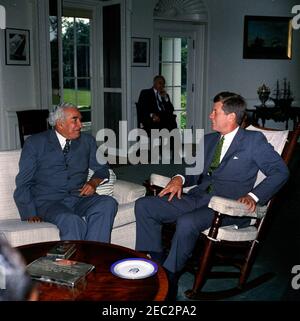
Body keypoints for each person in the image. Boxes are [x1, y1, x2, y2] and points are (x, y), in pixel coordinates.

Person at [135, 92, 289, 300]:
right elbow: (192, 170)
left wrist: (253, 196)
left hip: (226, 206)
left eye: (214, 111)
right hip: (198, 197)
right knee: (145, 205)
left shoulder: (253, 141)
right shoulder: (208, 140)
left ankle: (169, 276)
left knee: (186, 222)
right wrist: (180, 178)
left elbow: (280, 172)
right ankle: (152, 264)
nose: (210, 115)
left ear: (231, 116)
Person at [14, 103, 118, 242]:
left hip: (79, 198)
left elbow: (102, 168)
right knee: (72, 221)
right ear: (60, 123)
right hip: (48, 203)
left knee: (108, 203)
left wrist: (93, 182)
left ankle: (93, 254)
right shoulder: (35, 143)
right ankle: (74, 262)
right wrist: (30, 213)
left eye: (80, 120)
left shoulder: (87, 141)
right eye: (75, 120)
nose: (80, 125)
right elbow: (23, 182)